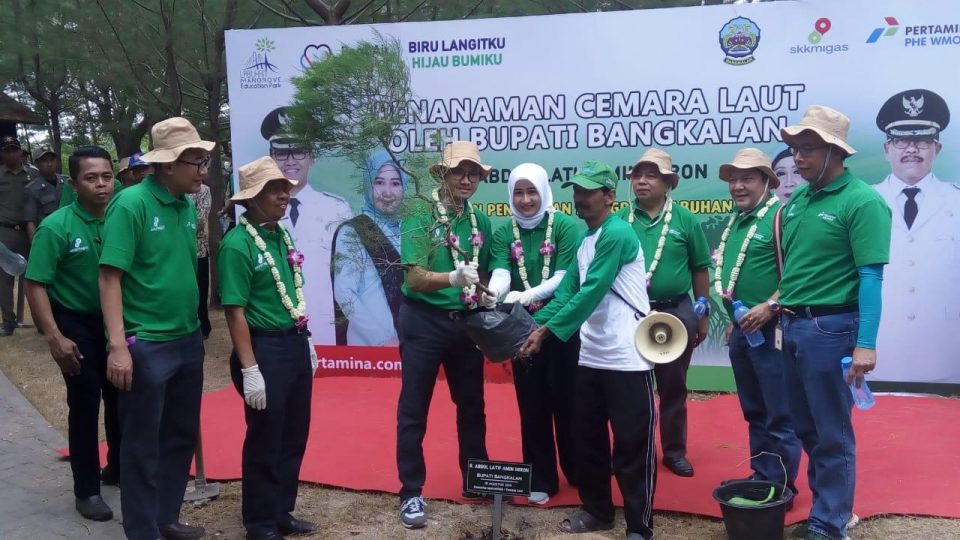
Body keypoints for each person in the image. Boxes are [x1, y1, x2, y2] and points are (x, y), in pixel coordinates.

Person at [520, 161, 656, 540]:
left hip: (628, 356)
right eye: (576, 191)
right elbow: (566, 294)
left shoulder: (617, 233)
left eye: (588, 192)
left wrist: (545, 332)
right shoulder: (585, 239)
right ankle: (598, 511)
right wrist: (526, 327)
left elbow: (590, 292)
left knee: (632, 444)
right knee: (588, 440)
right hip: (591, 356)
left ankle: (639, 526)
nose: (579, 199)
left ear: (609, 196)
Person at [778, 105, 891, 540]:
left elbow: (871, 277)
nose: (797, 159)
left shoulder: (862, 201)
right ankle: (830, 506)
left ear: (835, 152)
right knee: (805, 426)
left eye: (807, 149)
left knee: (832, 432)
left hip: (832, 331)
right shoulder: (800, 199)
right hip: (792, 327)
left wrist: (866, 344)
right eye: (795, 149)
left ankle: (829, 523)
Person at [100, 117, 212, 540]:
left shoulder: (185, 204)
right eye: (194, 161)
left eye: (202, 160)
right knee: (142, 443)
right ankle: (142, 530)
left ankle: (166, 517)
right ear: (166, 165)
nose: (202, 168)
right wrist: (118, 346)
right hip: (146, 342)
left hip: (186, 338)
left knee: (179, 434)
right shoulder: (131, 204)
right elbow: (110, 278)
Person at [396, 141, 493, 529]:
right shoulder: (420, 211)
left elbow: (482, 275)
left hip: (465, 323)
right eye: (459, 172)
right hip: (424, 322)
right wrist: (452, 278)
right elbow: (415, 278)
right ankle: (410, 492)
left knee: (472, 406)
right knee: (413, 409)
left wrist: (489, 292)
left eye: (473, 173)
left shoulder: (479, 220)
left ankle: (477, 479)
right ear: (443, 175)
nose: (466, 180)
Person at [218, 157, 316, 540]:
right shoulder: (237, 244)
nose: (284, 196)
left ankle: (281, 512)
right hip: (263, 350)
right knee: (265, 439)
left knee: (294, 435)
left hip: (293, 344)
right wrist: (249, 368)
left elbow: (292, 292)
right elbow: (234, 312)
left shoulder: (281, 234)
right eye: (274, 190)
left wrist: (305, 342)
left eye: (285, 189)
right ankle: (258, 522)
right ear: (252, 199)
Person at [24, 145, 122, 522]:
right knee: (85, 405)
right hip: (75, 323)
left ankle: (117, 468)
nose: (101, 185)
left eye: (107, 176)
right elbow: (35, 284)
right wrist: (54, 336)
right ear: (74, 183)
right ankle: (87, 490)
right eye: (91, 178)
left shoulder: (121, 217)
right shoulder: (57, 226)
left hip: (115, 322)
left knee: (120, 399)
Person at [485, 163, 580, 505]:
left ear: (544, 191)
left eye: (532, 191)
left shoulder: (566, 226)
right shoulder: (502, 232)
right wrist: (494, 293)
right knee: (532, 403)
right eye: (519, 193)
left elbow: (566, 277)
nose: (526, 200)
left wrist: (529, 295)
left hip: (562, 326)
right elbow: (500, 272)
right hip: (521, 330)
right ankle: (540, 476)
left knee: (569, 402)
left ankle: (578, 470)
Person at [616, 148, 711, 478]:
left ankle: (673, 451)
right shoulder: (620, 221)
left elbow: (700, 268)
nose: (641, 181)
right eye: (637, 175)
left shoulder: (684, 219)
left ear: (668, 183)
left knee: (673, 387)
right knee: (629, 388)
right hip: (630, 314)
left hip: (676, 313)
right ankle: (633, 453)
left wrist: (702, 314)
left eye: (651, 175)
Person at [715, 148, 800, 502]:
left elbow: (798, 274)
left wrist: (770, 306)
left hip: (773, 330)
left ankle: (782, 486)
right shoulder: (736, 221)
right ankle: (763, 473)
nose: (737, 186)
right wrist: (735, 320)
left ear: (767, 181)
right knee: (754, 410)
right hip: (743, 332)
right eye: (733, 179)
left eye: (747, 178)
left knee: (780, 413)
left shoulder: (781, 218)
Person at [872, 89, 960, 384]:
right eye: (901, 141)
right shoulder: (862, 202)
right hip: (879, 352)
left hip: (945, 354)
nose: (912, 149)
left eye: (922, 140)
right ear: (887, 149)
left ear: (937, 148)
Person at [261, 106, 352, 345]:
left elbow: (349, 275)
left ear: (312, 156)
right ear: (271, 157)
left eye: (298, 152)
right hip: (274, 323)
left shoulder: (337, 209)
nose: (290, 161)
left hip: (324, 323)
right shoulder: (258, 210)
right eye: (281, 153)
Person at [331, 150, 406, 345]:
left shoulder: (409, 229)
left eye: (395, 183)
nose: (388, 192)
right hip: (371, 344)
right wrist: (382, 339)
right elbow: (344, 293)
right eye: (379, 182)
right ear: (368, 185)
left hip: (410, 344)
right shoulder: (353, 231)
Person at [0, 135, 30, 337]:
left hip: (30, 230)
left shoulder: (33, 174)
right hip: (6, 231)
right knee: (5, 278)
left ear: (21, 152)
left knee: (35, 277)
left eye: (14, 149)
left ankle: (41, 320)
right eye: (7, 150)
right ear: (2, 154)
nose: (11, 153)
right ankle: (8, 321)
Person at [24, 145, 67, 242]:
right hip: (49, 237)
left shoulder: (67, 182)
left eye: (52, 159)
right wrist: (36, 246)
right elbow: (31, 222)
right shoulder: (32, 189)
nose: (49, 164)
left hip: (72, 233)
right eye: (44, 160)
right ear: (37, 164)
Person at [188, 181, 212, 338]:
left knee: (200, 290)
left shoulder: (203, 190)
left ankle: (203, 325)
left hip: (198, 249)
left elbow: (201, 219)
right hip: (175, 251)